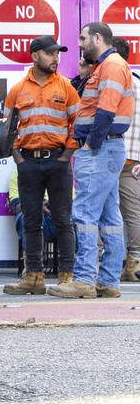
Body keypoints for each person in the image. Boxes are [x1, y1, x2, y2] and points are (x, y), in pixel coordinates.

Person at [51, 22, 134, 299]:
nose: (80, 43)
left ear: (98, 37)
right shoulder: (109, 65)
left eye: (83, 38)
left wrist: (91, 143)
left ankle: (85, 279)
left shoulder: (110, 65)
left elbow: (106, 111)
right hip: (109, 149)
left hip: (101, 149)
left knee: (85, 213)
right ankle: (109, 281)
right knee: (110, 217)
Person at [3, 35, 78, 295]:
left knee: (63, 220)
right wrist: (19, 160)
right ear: (35, 56)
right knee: (31, 221)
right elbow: (9, 129)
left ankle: (66, 277)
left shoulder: (67, 87)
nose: (55, 58)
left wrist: (66, 156)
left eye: (57, 53)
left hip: (58, 162)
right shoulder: (18, 90)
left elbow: (76, 125)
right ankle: (33, 277)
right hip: (29, 164)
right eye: (50, 53)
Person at [116, 38, 140, 283]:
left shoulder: (110, 81)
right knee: (133, 214)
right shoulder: (138, 84)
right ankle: (134, 265)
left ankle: (100, 263)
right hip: (133, 160)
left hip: (107, 156)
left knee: (100, 210)